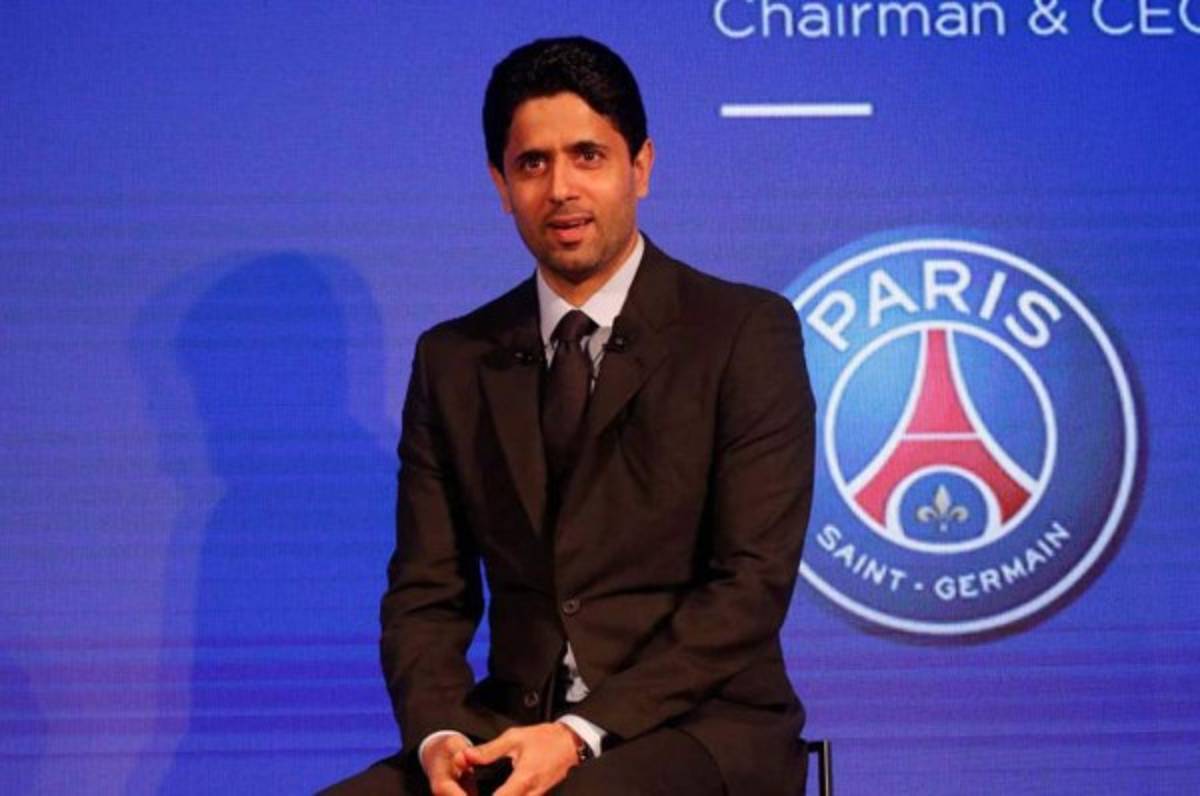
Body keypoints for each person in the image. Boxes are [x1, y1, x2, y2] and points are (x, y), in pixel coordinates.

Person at [324, 35, 815, 796]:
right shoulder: (454, 360)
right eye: (532, 164)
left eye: (588, 156)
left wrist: (580, 734)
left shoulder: (743, 332)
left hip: (701, 727)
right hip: (512, 727)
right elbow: (427, 594)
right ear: (500, 184)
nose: (560, 189)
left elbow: (750, 586)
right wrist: (439, 735)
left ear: (640, 167)